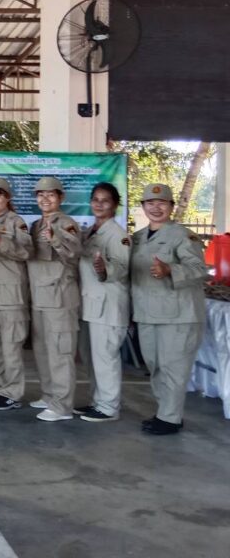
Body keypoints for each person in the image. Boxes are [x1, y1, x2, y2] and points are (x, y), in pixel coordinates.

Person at [131, 183, 208, 436]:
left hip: (178, 314)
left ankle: (170, 418)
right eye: (150, 203)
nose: (156, 207)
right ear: (143, 206)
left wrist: (169, 270)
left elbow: (200, 270)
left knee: (173, 368)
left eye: (162, 203)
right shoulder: (137, 238)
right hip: (147, 312)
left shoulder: (183, 236)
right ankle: (164, 412)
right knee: (155, 366)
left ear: (171, 206)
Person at [26, 176, 82, 422]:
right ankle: (49, 395)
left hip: (59, 296)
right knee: (43, 350)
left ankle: (62, 406)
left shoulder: (66, 223)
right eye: (40, 195)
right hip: (40, 296)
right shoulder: (37, 224)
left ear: (61, 197)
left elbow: (75, 254)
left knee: (60, 352)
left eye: (50, 194)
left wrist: (55, 239)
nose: (44, 199)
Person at [75, 182, 130, 423]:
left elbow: (122, 268)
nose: (99, 204)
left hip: (108, 307)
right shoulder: (91, 232)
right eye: (95, 199)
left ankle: (108, 407)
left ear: (115, 204)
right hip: (90, 305)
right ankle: (97, 401)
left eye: (105, 200)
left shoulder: (117, 235)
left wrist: (104, 268)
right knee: (92, 358)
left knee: (105, 358)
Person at [0, 176, 33, 411]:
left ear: (7, 197)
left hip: (11, 295)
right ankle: (1, 387)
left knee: (11, 347)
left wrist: (2, 243)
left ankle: (13, 393)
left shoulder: (16, 222)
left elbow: (27, 252)